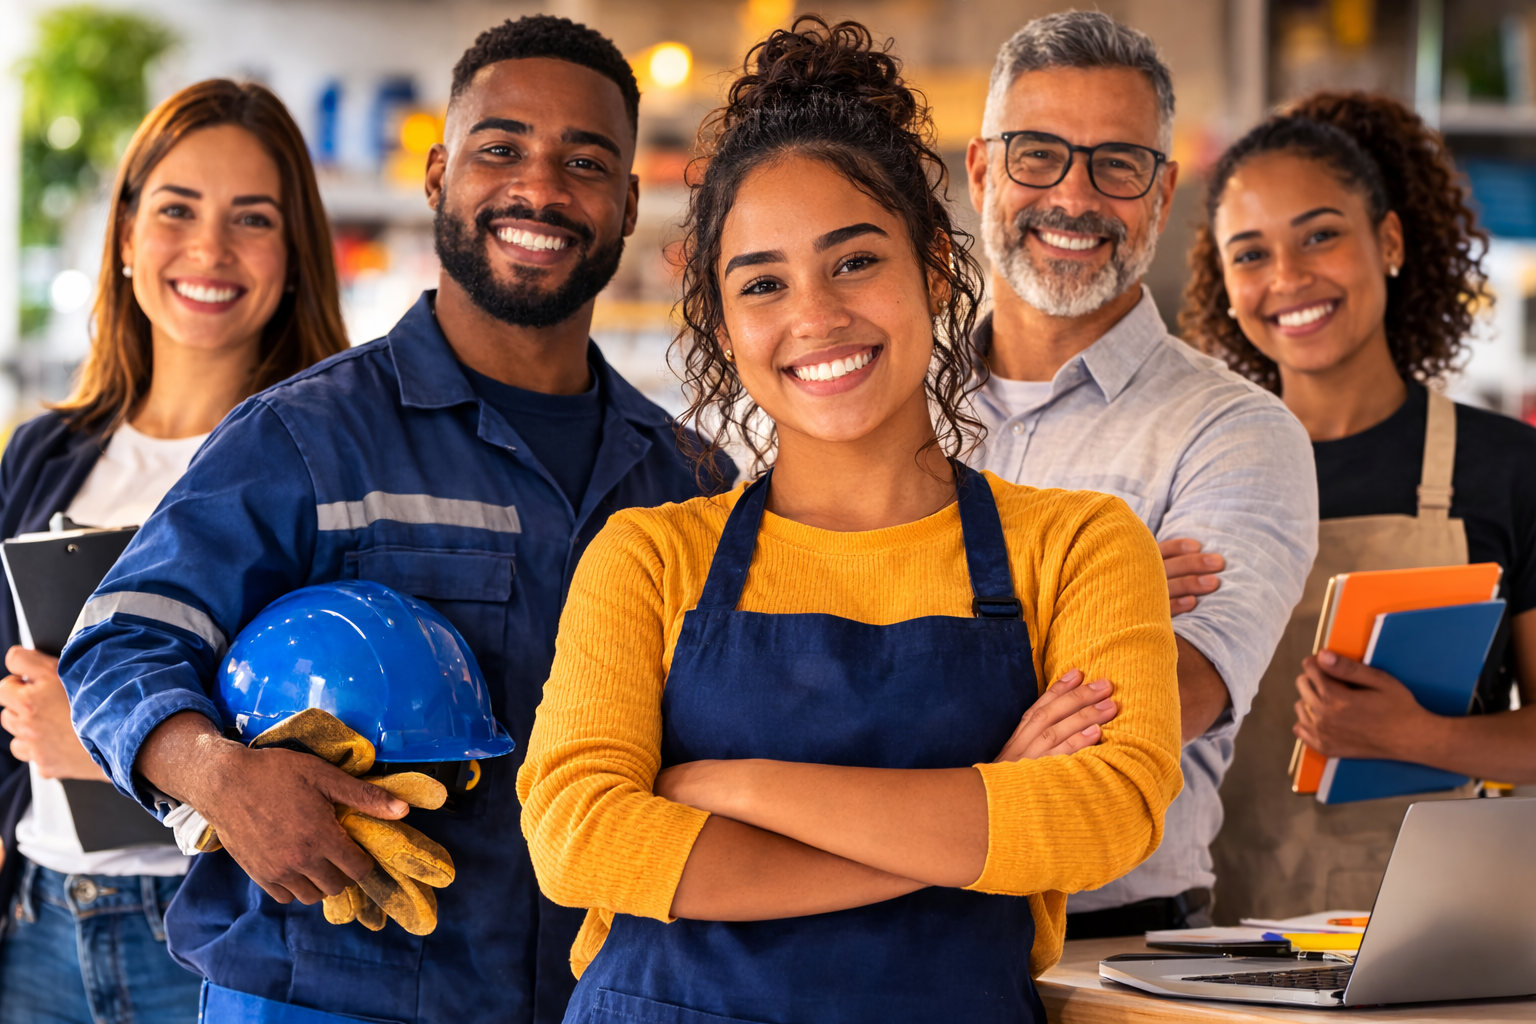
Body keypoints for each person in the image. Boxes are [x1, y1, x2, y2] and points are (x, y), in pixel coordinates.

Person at [58, 16, 732, 1024]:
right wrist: (221, 778)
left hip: (597, 997)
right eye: (499, 147)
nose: (540, 188)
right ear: (436, 175)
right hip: (320, 996)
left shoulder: (688, 481)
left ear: (631, 201)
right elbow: (118, 645)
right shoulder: (303, 438)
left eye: (584, 160)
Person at [517, 18, 1182, 1023]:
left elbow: (1104, 815)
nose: (815, 315)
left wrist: (731, 785)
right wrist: (979, 808)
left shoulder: (1081, 546)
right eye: (763, 283)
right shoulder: (648, 555)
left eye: (855, 260)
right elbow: (578, 837)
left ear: (937, 271)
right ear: (725, 323)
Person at [960, 10, 1317, 937]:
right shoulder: (869, 398)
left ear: (1159, 198)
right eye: (1037, 153)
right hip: (870, 937)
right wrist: (1087, 603)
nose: (1074, 197)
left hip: (1118, 950)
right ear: (981, 170)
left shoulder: (1238, 432)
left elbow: (1167, 701)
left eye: (1116, 164)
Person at [0, 80, 348, 1024]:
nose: (209, 250)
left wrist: (125, 748)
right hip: (35, 921)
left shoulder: (326, 462)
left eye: (252, 218)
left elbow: (346, 738)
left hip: (210, 935)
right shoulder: (45, 452)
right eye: (177, 210)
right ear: (123, 236)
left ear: (294, 257)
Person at [1189, 92, 1536, 920]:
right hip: (1214, 949)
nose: (1288, 278)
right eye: (1251, 254)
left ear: (1387, 241)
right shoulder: (1203, 474)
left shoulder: (1506, 471)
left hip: (1447, 939)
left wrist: (1423, 739)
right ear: (1227, 285)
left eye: (1319, 235)